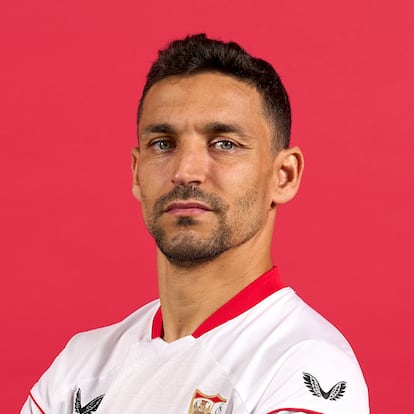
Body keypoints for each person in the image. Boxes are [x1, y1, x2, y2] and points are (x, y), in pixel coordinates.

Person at [21, 33, 369, 413]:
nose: (185, 171)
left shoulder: (304, 366)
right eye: (163, 144)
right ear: (137, 174)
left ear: (283, 176)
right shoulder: (80, 367)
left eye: (224, 143)